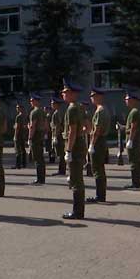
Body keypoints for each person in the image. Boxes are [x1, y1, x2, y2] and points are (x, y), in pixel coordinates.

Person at [61, 79, 86, 219]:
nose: (62, 94)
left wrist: (68, 151)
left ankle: (77, 212)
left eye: (65, 92)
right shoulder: (79, 107)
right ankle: (79, 210)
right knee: (78, 178)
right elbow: (86, 126)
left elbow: (72, 131)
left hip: (74, 147)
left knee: (76, 180)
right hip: (79, 144)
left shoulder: (72, 108)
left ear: (71, 93)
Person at [87, 88, 110, 203]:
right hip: (101, 141)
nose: (91, 98)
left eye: (93, 96)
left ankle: (99, 196)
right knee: (99, 169)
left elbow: (97, 130)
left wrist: (91, 144)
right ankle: (101, 194)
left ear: (99, 97)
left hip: (98, 142)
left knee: (97, 169)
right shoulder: (103, 110)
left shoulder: (100, 111)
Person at [124, 91, 140, 189]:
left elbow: (133, 127)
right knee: (135, 161)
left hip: (134, 140)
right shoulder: (135, 111)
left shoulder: (134, 112)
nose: (126, 101)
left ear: (132, 100)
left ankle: (135, 183)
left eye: (127, 99)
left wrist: (130, 140)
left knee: (133, 162)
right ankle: (136, 182)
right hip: (135, 140)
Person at [28, 93, 47, 185]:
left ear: (36, 101)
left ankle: (39, 179)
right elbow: (46, 124)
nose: (30, 102)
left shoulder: (34, 112)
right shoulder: (42, 111)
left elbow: (32, 126)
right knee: (41, 158)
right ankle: (42, 178)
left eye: (32, 100)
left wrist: (30, 138)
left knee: (37, 158)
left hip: (36, 135)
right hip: (41, 134)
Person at [50, 96, 66, 176]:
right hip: (59, 135)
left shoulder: (57, 113)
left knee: (60, 153)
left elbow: (58, 126)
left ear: (57, 104)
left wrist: (55, 136)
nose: (51, 104)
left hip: (59, 135)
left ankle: (61, 170)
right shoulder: (58, 112)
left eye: (52, 103)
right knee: (60, 153)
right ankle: (61, 169)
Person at [12, 103, 27, 169]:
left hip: (19, 135)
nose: (17, 109)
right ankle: (24, 163)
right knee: (23, 149)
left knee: (18, 150)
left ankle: (18, 165)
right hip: (23, 135)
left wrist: (15, 135)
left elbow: (17, 127)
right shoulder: (24, 116)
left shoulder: (18, 117)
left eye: (18, 107)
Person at [80, 100, 93, 176]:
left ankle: (89, 170)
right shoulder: (85, 113)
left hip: (87, 135)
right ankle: (89, 169)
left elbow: (88, 125)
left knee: (87, 153)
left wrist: (84, 130)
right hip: (87, 134)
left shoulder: (86, 114)